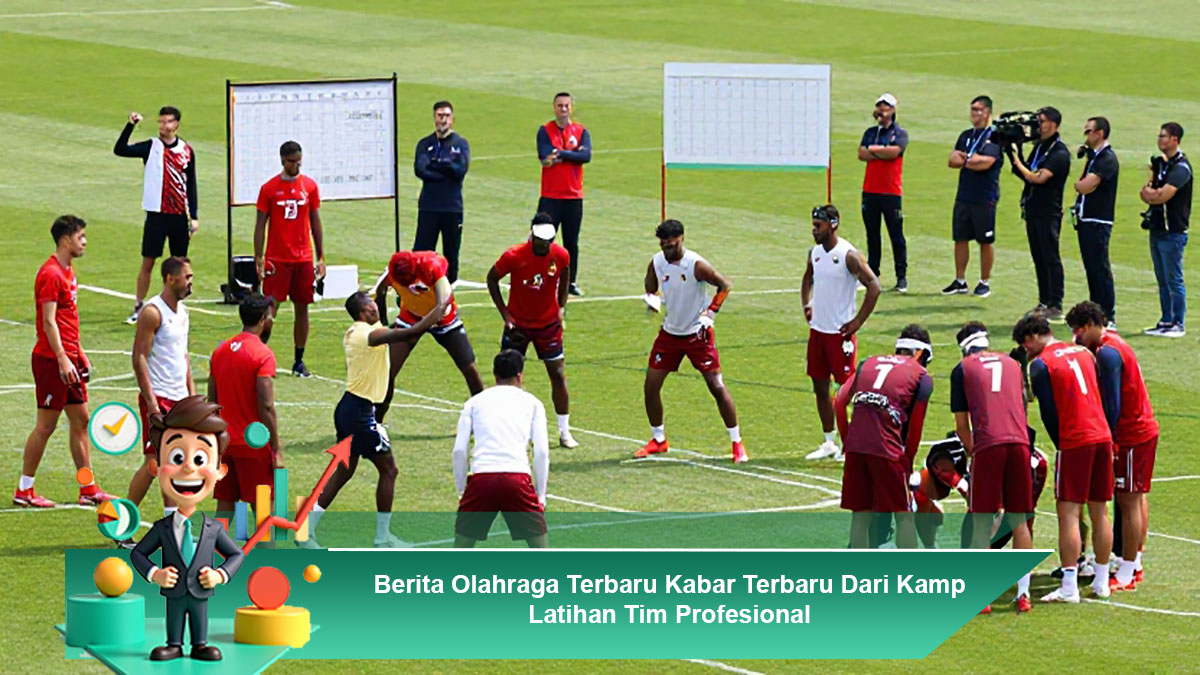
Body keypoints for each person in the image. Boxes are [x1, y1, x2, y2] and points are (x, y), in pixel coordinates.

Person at [303, 292, 444, 549]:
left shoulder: (365, 329)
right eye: (370, 309)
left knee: (344, 471)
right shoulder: (365, 334)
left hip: (350, 409)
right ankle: (382, 538)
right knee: (389, 470)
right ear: (361, 313)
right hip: (359, 413)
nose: (375, 310)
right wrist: (439, 308)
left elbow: (389, 315)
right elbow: (409, 333)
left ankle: (306, 530)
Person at [130, 396, 243, 662]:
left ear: (220, 471)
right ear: (156, 468)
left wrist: (220, 575)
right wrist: (155, 574)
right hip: (174, 591)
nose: (189, 467)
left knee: (200, 616)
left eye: (201, 458)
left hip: (201, 590)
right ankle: (174, 644)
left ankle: (200, 644)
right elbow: (138, 553)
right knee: (175, 615)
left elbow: (236, 555)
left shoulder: (212, 528)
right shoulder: (162, 528)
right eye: (177, 457)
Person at [15, 215, 116, 508]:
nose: (84, 242)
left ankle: (88, 488)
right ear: (65, 239)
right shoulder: (51, 274)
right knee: (46, 426)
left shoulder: (68, 271)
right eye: (80, 237)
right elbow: (48, 322)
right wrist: (62, 358)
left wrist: (78, 352)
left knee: (81, 421)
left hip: (69, 359)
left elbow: (67, 318)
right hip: (51, 361)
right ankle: (24, 489)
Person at [1012, 312, 1113, 602]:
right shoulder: (1084, 353)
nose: (1027, 351)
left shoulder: (1041, 364)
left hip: (1075, 439)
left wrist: (1062, 445)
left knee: (1068, 511)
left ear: (1033, 336)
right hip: (1102, 434)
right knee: (1100, 510)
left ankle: (1069, 585)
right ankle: (1102, 582)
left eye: (1025, 345)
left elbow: (1049, 413)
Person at [636, 219, 747, 463]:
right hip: (670, 334)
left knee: (716, 386)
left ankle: (737, 442)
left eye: (671, 244)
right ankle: (658, 440)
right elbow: (650, 285)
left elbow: (725, 285)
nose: (667, 249)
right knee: (651, 386)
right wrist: (651, 298)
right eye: (663, 245)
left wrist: (711, 312)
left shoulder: (695, 264)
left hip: (698, 334)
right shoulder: (657, 262)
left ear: (681, 239)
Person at [1066, 300, 1158, 591]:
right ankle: (1135, 561)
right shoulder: (1113, 343)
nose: (1076, 338)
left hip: (1131, 434)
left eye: (1079, 331)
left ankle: (1128, 571)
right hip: (1142, 428)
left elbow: (1113, 404)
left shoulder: (1107, 353)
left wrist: (1110, 439)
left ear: (1091, 325)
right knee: (1136, 498)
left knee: (1128, 501)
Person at [949, 321, 1035, 613]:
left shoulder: (963, 369)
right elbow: (1022, 406)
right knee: (1019, 520)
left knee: (981, 521)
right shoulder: (1012, 364)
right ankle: (1023, 594)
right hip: (1019, 442)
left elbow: (962, 425)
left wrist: (973, 451)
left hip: (989, 444)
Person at [834, 325, 934, 549]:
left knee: (860, 516)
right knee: (904, 515)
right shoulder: (922, 377)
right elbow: (915, 427)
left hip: (856, 447)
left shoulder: (867, 363)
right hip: (888, 449)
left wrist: (848, 441)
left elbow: (839, 402)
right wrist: (907, 459)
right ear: (920, 353)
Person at [486, 213, 578, 448]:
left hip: (548, 326)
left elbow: (565, 275)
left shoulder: (560, 255)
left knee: (558, 374)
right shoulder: (514, 256)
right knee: (508, 378)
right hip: (518, 327)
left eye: (547, 242)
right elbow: (492, 279)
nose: (543, 246)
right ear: (532, 235)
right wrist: (505, 315)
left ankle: (564, 431)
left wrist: (561, 307)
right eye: (539, 241)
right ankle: (506, 429)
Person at [124, 257, 195, 546]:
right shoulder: (153, 313)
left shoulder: (184, 312)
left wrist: (192, 397)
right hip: (160, 398)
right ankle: (121, 524)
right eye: (187, 277)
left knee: (170, 463)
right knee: (156, 462)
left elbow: (184, 357)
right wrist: (152, 403)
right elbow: (139, 358)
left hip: (179, 400)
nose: (191, 282)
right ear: (170, 278)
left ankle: (172, 528)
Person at [802, 205, 880, 461]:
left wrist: (857, 322)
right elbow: (808, 278)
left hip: (840, 335)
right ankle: (829, 442)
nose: (814, 230)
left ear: (833, 225)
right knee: (820, 387)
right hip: (818, 333)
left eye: (819, 226)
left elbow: (874, 286)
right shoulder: (815, 253)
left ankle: (853, 444)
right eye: (813, 225)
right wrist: (807, 303)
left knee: (847, 393)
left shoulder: (848, 255)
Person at [452, 350, 550, 548]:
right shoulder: (533, 404)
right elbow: (541, 452)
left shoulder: (473, 403)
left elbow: (459, 451)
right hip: (517, 480)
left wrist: (463, 491)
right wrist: (541, 496)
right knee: (540, 549)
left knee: (461, 548)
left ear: (495, 375)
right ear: (520, 376)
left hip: (481, 480)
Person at [374, 250, 484, 423]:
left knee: (469, 367)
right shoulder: (393, 271)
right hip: (410, 317)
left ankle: (483, 417)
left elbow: (441, 306)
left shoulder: (432, 266)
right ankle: (376, 422)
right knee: (387, 371)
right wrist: (382, 322)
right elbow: (380, 291)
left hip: (444, 320)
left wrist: (417, 329)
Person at [113, 107, 198, 325]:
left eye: (167, 122)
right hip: (156, 215)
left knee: (179, 264)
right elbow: (120, 149)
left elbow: (191, 185)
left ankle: (175, 305)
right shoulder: (151, 146)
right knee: (148, 261)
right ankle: (139, 306)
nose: (163, 126)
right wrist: (130, 125)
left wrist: (194, 216)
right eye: (160, 122)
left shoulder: (186, 150)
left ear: (176, 124)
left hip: (179, 215)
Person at [254, 140, 325, 378]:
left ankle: (299, 360)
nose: (296, 165)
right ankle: (257, 356)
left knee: (302, 307)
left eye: (299, 161)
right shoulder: (269, 189)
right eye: (292, 161)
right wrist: (258, 256)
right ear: (283, 160)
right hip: (277, 259)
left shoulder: (310, 187)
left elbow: (315, 222)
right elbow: (260, 225)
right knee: (269, 309)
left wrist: (321, 256)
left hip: (303, 258)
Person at [208, 294, 281, 512]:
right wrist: (277, 449)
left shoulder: (219, 352)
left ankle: (212, 538)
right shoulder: (263, 355)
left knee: (224, 509)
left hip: (225, 443)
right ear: (263, 320)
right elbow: (266, 406)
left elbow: (212, 403)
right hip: (254, 446)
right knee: (263, 513)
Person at [1009, 107, 1071, 320]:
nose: (1038, 125)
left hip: (1048, 212)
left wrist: (1017, 160)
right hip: (1033, 209)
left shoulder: (1059, 153)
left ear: (1053, 125)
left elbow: (1038, 178)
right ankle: (1044, 301)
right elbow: (1026, 172)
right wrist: (1014, 150)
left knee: (1050, 257)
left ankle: (1055, 303)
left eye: (1041, 121)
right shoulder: (1040, 147)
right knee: (1039, 257)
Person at [944, 95, 1004, 297]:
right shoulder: (966, 135)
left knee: (985, 240)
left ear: (988, 112)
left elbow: (986, 162)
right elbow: (952, 160)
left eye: (979, 110)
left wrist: (966, 159)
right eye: (973, 109)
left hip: (985, 196)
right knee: (960, 238)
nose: (975, 113)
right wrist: (971, 160)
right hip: (964, 195)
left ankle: (984, 281)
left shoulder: (994, 137)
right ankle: (960, 281)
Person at [1140, 122, 1193, 338]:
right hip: (1158, 229)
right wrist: (1152, 194)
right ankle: (1165, 320)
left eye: (1163, 136)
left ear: (1174, 140)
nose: (1159, 140)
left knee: (1173, 279)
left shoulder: (1181, 168)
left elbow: (1163, 195)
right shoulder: (1163, 165)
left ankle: (1178, 323)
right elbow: (1146, 192)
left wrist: (1153, 195)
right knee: (1162, 279)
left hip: (1173, 232)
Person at [537, 92, 591, 297]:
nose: (563, 109)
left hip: (573, 197)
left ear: (571, 107)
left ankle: (570, 282)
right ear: (554, 107)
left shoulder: (581, 131)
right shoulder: (545, 131)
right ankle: (540, 277)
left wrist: (560, 154)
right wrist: (572, 155)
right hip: (550, 196)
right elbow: (545, 156)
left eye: (566, 105)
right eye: (560, 106)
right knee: (543, 239)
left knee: (571, 242)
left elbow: (585, 156)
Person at [413, 100, 469, 284]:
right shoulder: (425, 144)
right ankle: (417, 288)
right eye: (439, 116)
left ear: (452, 119)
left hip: (452, 207)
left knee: (451, 253)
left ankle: (449, 290)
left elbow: (460, 171)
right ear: (434, 118)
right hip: (429, 206)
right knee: (422, 251)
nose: (443, 120)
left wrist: (436, 165)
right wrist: (445, 168)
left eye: (446, 116)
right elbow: (420, 170)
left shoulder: (460, 144)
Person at [858, 93, 909, 293]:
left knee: (896, 235)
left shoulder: (899, 133)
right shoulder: (871, 132)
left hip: (891, 191)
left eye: (885, 107)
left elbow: (895, 152)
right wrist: (881, 151)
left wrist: (874, 151)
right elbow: (862, 154)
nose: (881, 111)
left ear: (893, 110)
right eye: (879, 106)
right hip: (870, 190)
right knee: (872, 235)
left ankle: (901, 277)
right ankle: (873, 276)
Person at [1072, 117, 1119, 328]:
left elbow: (1084, 186)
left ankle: (1107, 315)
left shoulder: (1106, 159)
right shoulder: (1095, 157)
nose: (1086, 135)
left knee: (1100, 269)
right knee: (1092, 269)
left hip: (1098, 221)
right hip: (1087, 219)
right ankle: (1096, 313)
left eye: (1088, 131)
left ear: (1099, 133)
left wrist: (1079, 184)